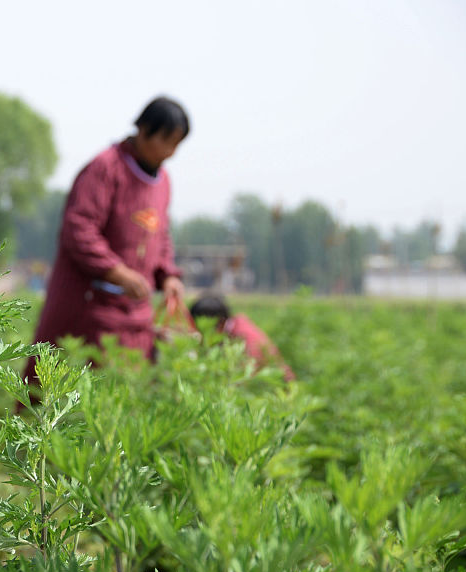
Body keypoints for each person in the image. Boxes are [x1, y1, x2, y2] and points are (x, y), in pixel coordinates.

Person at [25, 97, 190, 380]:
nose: (171, 152)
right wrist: (117, 272)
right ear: (143, 129)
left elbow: (160, 236)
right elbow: (79, 229)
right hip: (88, 303)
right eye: (166, 140)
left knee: (123, 396)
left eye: (177, 143)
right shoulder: (105, 168)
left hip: (134, 312)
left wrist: (168, 276)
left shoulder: (163, 182)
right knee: (56, 390)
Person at [189, 294, 295, 381]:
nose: (200, 333)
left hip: (277, 389)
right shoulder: (233, 326)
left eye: (202, 328)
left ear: (220, 322)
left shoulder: (244, 338)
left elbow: (244, 378)